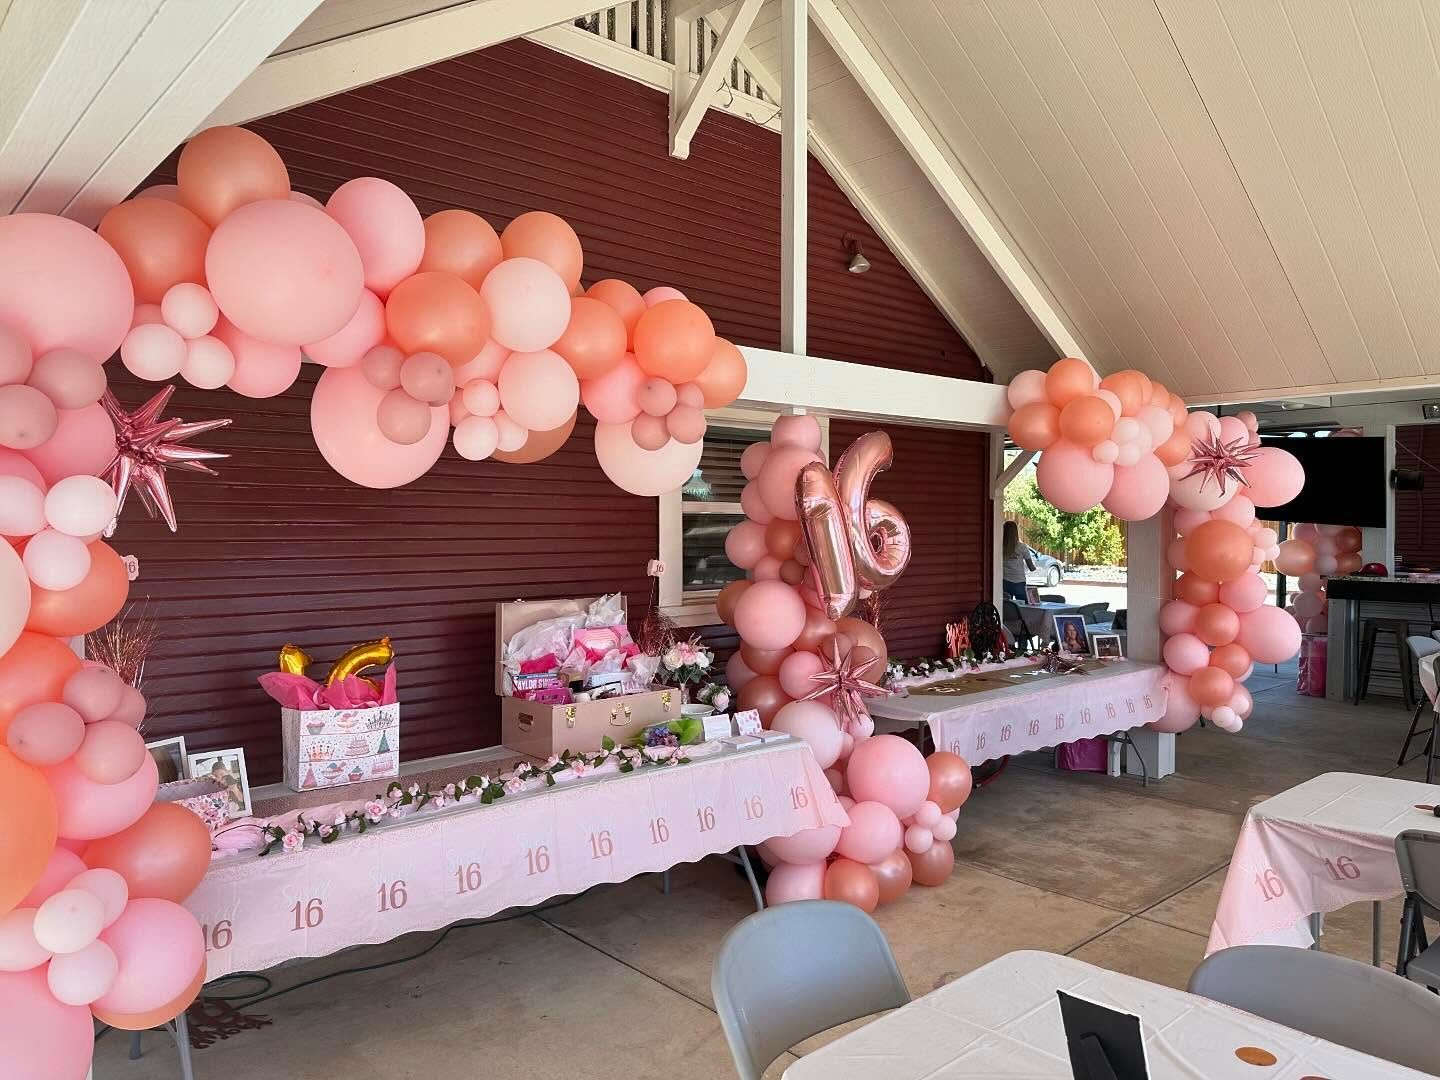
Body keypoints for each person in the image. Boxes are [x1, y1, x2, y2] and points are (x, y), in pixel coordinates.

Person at [1001, 521, 1035, 604]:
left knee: (1007, 608)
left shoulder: (1000, 546)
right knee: (1024, 607)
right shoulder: (1022, 547)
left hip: (1004, 581)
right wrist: (1034, 568)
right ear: (1016, 532)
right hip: (1019, 581)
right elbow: (1031, 567)